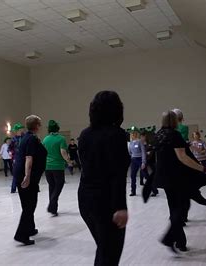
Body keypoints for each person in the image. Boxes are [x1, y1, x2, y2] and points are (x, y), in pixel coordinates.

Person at [78, 91, 130, 265]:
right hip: (106, 201)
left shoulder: (85, 134)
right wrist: (120, 207)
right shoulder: (117, 135)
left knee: (104, 248)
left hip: (86, 199)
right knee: (110, 253)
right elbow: (118, 173)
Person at [155, 111, 206, 255]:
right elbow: (183, 157)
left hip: (164, 177)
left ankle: (180, 242)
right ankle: (170, 238)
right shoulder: (174, 135)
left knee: (174, 207)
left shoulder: (158, 135)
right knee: (181, 207)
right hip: (176, 177)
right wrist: (204, 168)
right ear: (175, 121)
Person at [13, 115, 47, 246]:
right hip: (27, 176)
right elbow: (29, 158)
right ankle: (21, 235)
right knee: (29, 205)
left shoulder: (27, 137)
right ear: (37, 126)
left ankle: (30, 228)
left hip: (21, 174)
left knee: (27, 204)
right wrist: (27, 176)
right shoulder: (31, 139)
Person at [42, 120, 70, 217]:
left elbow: (43, 153)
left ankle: (53, 209)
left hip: (47, 166)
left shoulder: (45, 139)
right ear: (58, 128)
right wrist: (68, 161)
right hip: (58, 166)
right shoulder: (61, 139)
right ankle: (52, 204)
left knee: (52, 186)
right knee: (59, 184)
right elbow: (63, 152)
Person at [128, 128, 146, 196]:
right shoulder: (131, 143)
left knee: (145, 175)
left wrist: (143, 162)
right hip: (133, 160)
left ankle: (154, 190)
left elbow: (143, 152)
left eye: (133, 134)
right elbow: (130, 152)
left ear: (135, 134)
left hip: (140, 159)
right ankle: (133, 191)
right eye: (131, 134)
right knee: (132, 176)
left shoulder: (140, 141)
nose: (132, 135)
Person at [140, 131, 158, 197]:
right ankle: (154, 190)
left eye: (142, 137)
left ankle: (154, 190)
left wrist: (147, 154)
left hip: (150, 161)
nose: (141, 138)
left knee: (149, 176)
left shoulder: (149, 143)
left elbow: (151, 152)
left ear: (145, 136)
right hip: (145, 161)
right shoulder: (141, 143)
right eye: (141, 137)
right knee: (146, 176)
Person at [10, 123, 25, 193]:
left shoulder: (25, 137)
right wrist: (11, 154)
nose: (17, 132)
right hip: (16, 157)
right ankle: (13, 188)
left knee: (27, 172)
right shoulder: (14, 139)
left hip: (25, 157)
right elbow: (10, 148)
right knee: (16, 173)